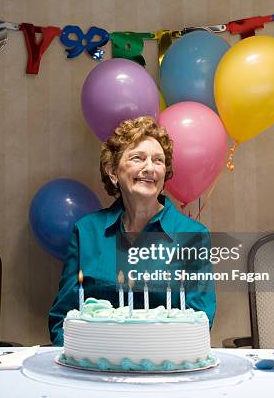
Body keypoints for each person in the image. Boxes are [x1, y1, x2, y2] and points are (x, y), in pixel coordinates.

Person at [48, 116, 215, 346]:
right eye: (138, 158)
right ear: (113, 172)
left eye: (158, 161)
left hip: (164, 369)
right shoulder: (87, 231)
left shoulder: (193, 236)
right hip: (95, 369)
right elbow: (63, 318)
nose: (149, 168)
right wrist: (77, 359)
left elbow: (200, 322)